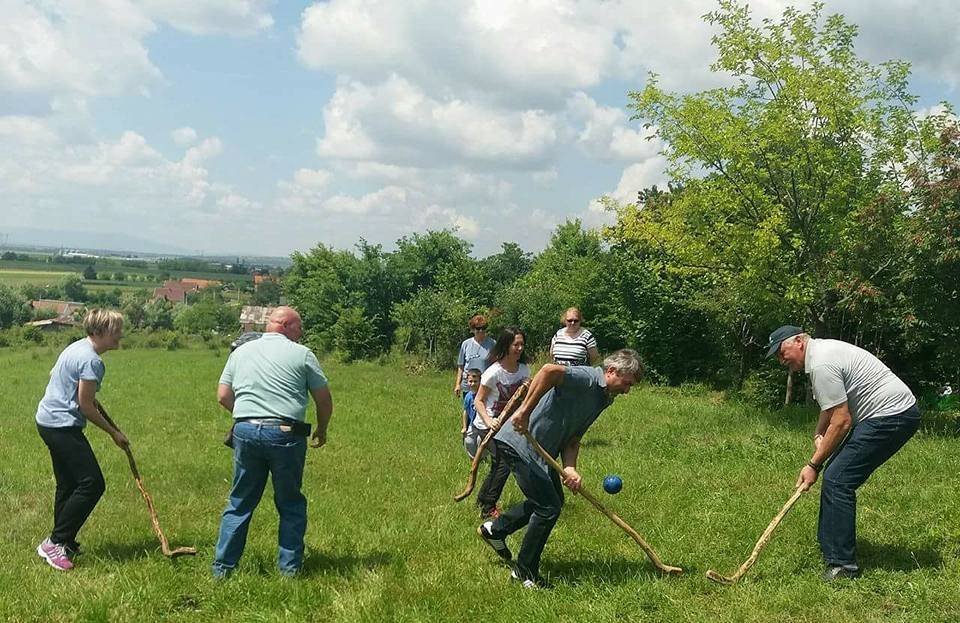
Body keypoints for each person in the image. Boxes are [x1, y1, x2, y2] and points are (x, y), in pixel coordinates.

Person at [477, 349, 642, 588]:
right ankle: (524, 572)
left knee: (552, 500)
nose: (627, 390)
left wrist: (570, 468)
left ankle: (495, 530)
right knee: (548, 507)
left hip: (542, 454)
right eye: (627, 383)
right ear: (611, 371)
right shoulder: (587, 378)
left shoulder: (603, 398)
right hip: (520, 443)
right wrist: (524, 412)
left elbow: (574, 438)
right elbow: (548, 371)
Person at [767, 325, 920, 582]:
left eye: (782, 352)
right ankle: (830, 547)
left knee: (838, 479)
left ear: (799, 341)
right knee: (836, 475)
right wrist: (819, 433)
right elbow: (831, 406)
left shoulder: (821, 363)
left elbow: (842, 420)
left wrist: (813, 465)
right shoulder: (820, 354)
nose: (781, 360)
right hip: (886, 414)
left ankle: (843, 566)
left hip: (893, 416)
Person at [212, 306, 333, 578]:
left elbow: (223, 396)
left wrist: (247, 417)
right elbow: (324, 399)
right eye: (299, 327)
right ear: (286, 325)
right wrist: (322, 429)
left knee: (240, 502)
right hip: (286, 434)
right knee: (290, 503)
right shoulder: (302, 354)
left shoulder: (241, 352)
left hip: (245, 431)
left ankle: (222, 569)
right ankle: (289, 571)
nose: (301, 333)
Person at [35, 309, 129, 571]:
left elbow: (57, 376)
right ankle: (55, 542)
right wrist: (113, 432)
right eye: (116, 330)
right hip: (61, 426)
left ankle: (63, 540)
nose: (120, 335)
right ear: (99, 332)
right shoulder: (91, 361)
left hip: (48, 421)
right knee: (92, 483)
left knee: (68, 484)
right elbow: (86, 406)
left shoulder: (76, 348)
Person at [472, 327, 530, 519]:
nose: (520, 348)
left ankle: (482, 499)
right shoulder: (494, 372)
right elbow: (478, 401)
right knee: (504, 465)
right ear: (506, 346)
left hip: (507, 427)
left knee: (498, 465)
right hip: (487, 425)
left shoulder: (523, 369)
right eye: (516, 344)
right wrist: (490, 421)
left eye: (522, 344)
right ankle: (488, 507)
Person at [453, 315, 495, 397]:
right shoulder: (466, 344)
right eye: (478, 329)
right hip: (468, 385)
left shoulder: (492, 343)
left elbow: (496, 366)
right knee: (469, 405)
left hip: (485, 385)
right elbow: (461, 366)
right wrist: (458, 384)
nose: (481, 331)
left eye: (483, 328)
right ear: (472, 329)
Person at [461, 368, 482, 457]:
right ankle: (473, 458)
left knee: (481, 441)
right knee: (469, 441)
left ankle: (482, 457)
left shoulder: (483, 394)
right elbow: (465, 411)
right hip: (472, 424)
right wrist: (464, 427)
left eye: (475, 381)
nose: (472, 384)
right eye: (470, 381)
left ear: (480, 381)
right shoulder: (468, 396)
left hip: (482, 424)